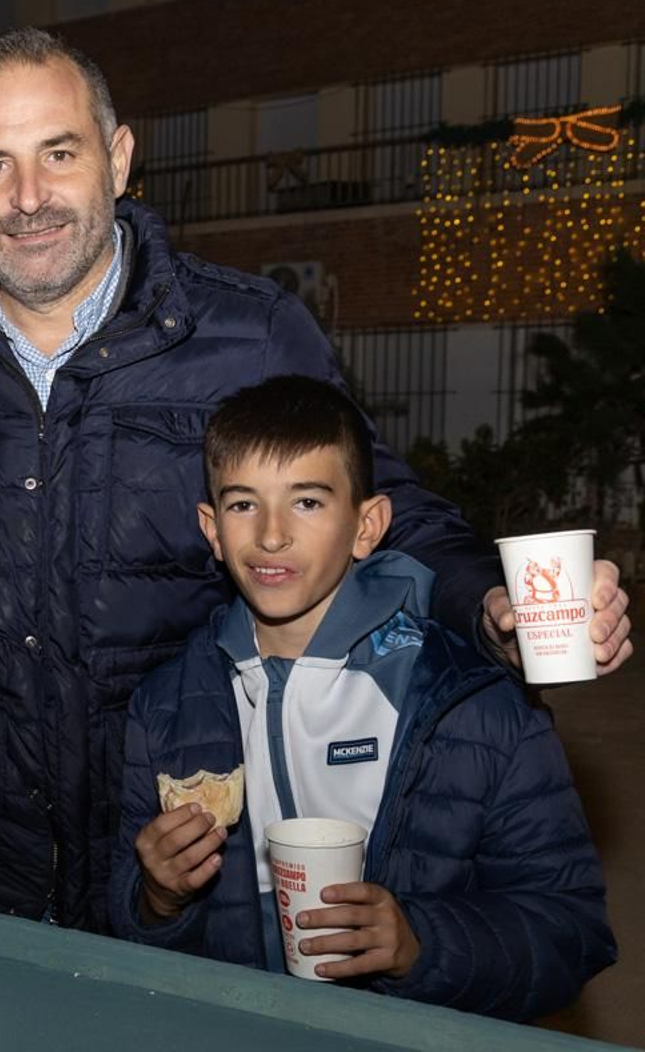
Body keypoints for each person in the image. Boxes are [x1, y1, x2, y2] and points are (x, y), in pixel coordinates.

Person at [0, 26, 633, 932]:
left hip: (190, 854)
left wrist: (491, 606)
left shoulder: (249, 335)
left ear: (119, 157)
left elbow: (382, 515)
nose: (29, 198)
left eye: (59, 152)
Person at [108, 376, 615, 1020]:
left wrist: (419, 944)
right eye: (242, 505)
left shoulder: (470, 703)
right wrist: (157, 897)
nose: (270, 535)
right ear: (211, 528)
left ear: (366, 525)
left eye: (309, 502)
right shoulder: (165, 705)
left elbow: (570, 935)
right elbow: (134, 926)